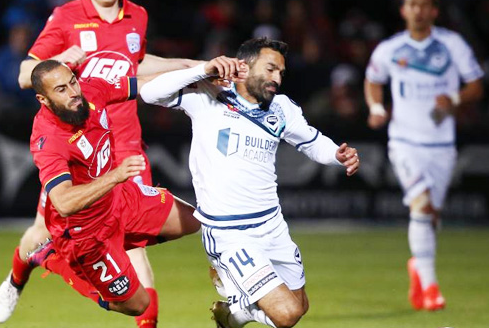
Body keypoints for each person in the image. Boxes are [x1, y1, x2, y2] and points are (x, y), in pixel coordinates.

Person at [0, 0, 199, 326]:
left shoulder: (137, 14)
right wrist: (66, 61)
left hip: (125, 146)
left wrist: (188, 66)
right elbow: (27, 74)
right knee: (41, 233)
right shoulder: (67, 17)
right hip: (78, 152)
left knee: (135, 251)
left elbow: (136, 65)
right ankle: (19, 274)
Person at [140, 37, 360, 328]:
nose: (276, 79)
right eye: (270, 69)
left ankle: (234, 316)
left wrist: (337, 155)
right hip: (230, 233)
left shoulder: (281, 108)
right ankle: (236, 294)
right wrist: (204, 69)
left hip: (272, 225)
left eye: (281, 73)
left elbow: (310, 141)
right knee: (286, 314)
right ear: (244, 66)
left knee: (300, 305)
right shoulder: (210, 94)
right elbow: (149, 93)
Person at [20, 59, 204, 318]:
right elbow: (62, 202)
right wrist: (115, 176)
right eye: (61, 90)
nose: (73, 93)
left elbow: (142, 83)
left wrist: (197, 77)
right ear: (43, 99)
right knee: (138, 305)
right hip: (86, 233)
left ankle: (119, 245)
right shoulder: (47, 140)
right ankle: (52, 258)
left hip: (120, 199)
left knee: (192, 221)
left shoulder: (91, 89)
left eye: (72, 82)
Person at [363, 0, 484, 311]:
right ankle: (431, 289)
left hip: (441, 144)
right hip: (403, 142)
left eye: (422, 5)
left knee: (431, 217)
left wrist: (456, 98)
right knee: (421, 205)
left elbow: (476, 84)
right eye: (411, 4)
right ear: (403, 11)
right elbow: (373, 80)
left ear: (434, 11)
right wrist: (376, 109)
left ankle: (418, 265)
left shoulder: (451, 45)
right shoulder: (390, 49)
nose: (416, 10)